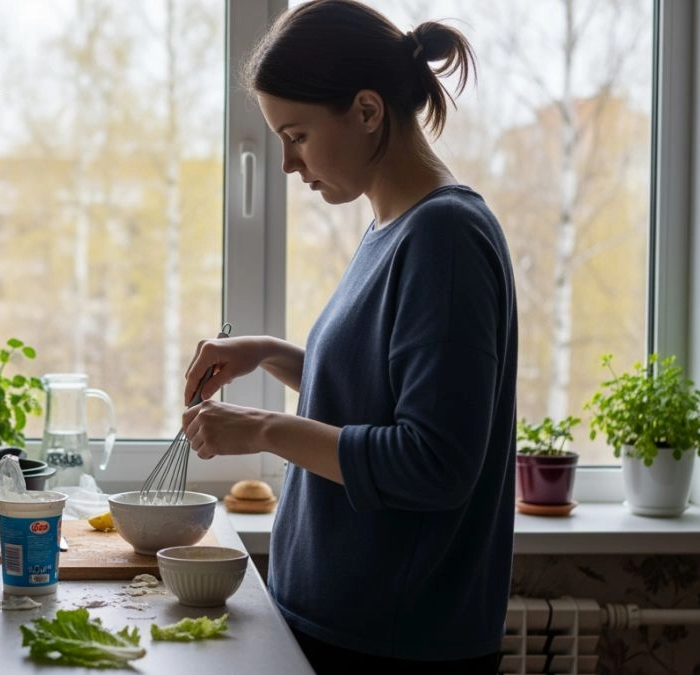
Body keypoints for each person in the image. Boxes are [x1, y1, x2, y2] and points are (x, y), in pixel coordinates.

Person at [180, 1, 517, 673]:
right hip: (340, 624)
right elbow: (375, 397)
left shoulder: (443, 238)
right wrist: (271, 353)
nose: (285, 163)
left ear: (367, 111)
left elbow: (433, 462)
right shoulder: (393, 230)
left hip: (392, 645)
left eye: (296, 134)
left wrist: (264, 430)